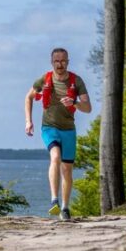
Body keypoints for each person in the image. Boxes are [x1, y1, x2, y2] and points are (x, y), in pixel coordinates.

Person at [24, 47, 91, 220]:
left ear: (68, 62)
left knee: (67, 169)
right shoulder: (45, 79)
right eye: (56, 61)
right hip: (49, 127)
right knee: (55, 157)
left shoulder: (76, 81)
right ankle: (54, 200)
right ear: (52, 62)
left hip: (68, 129)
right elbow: (29, 97)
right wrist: (28, 121)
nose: (59, 64)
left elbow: (88, 108)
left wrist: (74, 102)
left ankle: (65, 208)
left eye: (62, 61)